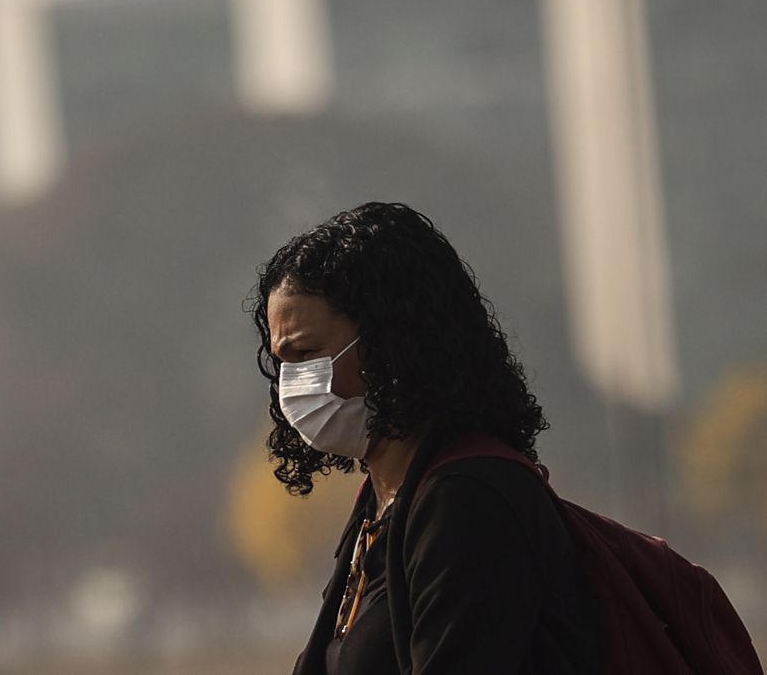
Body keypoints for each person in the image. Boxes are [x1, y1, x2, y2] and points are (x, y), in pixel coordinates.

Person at [249, 202, 598, 674]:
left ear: (392, 341)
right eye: (283, 362)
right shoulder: (381, 504)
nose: (292, 383)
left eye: (307, 353)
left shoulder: (469, 502)